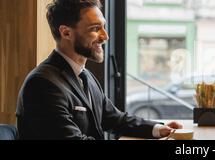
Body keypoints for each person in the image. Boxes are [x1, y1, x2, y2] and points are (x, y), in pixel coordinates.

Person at [16, 0, 182, 140]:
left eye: (103, 26)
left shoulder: (85, 75)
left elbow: (114, 119)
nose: (105, 36)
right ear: (66, 32)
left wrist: (158, 129)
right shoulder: (42, 84)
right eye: (95, 29)